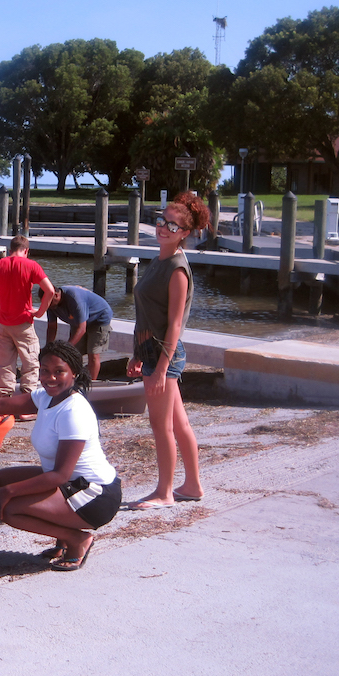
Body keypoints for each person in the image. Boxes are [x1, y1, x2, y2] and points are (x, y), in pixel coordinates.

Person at [0, 340, 121, 572]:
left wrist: (9, 492)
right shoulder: (47, 397)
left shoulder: (74, 411)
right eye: (45, 371)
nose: (50, 378)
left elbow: (60, 476)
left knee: (9, 508)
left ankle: (76, 539)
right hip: (71, 484)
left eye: (59, 371)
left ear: (74, 373)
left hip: (94, 496)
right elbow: (0, 404)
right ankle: (61, 537)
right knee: (2, 478)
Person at [125, 192, 210, 510]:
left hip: (164, 355)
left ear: (185, 233)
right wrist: (137, 354)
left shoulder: (176, 268)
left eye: (172, 225)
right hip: (151, 352)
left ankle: (164, 492)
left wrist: (160, 369)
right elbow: (149, 313)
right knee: (179, 423)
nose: (163, 227)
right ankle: (193, 486)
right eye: (161, 221)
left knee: (161, 426)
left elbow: (175, 325)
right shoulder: (159, 259)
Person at [0, 236, 55, 400]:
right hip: (24, 323)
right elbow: (50, 291)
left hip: (3, 323)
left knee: (3, 365)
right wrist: (40, 312)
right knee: (30, 365)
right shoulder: (31, 265)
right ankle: (26, 404)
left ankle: (4, 404)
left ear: (10, 250)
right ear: (26, 251)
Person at [44, 284, 113, 380]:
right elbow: (52, 327)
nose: (48, 305)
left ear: (55, 295)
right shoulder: (48, 302)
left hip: (99, 319)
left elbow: (82, 329)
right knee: (74, 353)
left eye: (49, 302)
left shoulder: (74, 298)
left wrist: (66, 347)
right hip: (77, 320)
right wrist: (48, 348)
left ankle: (91, 385)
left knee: (93, 353)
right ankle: (73, 379)